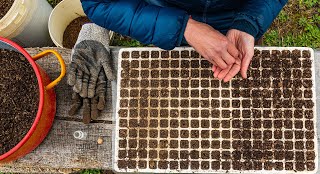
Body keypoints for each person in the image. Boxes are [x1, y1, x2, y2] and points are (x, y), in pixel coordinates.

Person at [80, 0, 288, 82]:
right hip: (164, 17)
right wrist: (182, 28)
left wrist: (249, 23)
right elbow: (99, 3)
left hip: (240, 18)